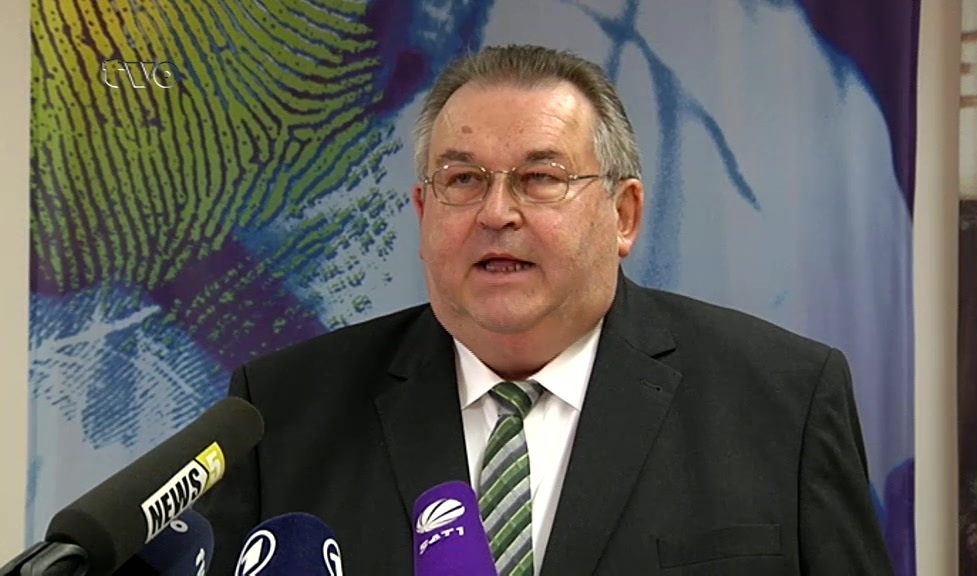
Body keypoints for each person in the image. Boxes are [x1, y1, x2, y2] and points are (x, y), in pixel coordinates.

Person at [198, 44, 894, 575]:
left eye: (541, 178)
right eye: (463, 179)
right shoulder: (282, 412)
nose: (497, 213)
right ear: (423, 211)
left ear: (624, 215)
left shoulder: (783, 401)